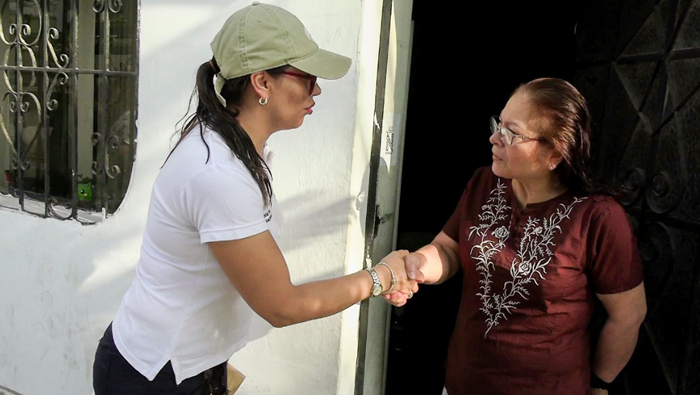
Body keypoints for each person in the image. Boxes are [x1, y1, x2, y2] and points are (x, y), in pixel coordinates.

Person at [92, 3, 418, 394]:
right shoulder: (217, 172)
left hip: (191, 365)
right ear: (262, 82)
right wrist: (381, 277)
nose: (316, 88)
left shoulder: (235, 146)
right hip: (155, 376)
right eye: (307, 75)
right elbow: (282, 305)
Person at [384, 77, 647, 395]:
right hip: (463, 382)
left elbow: (628, 316)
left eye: (512, 133)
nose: (494, 137)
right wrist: (414, 267)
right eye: (498, 123)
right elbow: (449, 250)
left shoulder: (598, 217)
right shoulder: (484, 183)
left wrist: (599, 385)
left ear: (554, 152)